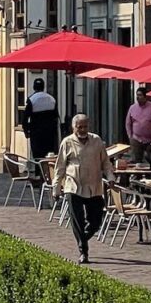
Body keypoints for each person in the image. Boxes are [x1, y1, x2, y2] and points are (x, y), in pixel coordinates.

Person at [52, 113, 115, 264]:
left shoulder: (97, 140)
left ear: (89, 126)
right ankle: (83, 251)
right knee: (77, 220)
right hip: (73, 186)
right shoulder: (67, 142)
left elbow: (105, 162)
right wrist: (56, 188)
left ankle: (83, 237)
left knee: (96, 220)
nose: (82, 129)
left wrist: (111, 177)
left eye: (85, 126)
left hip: (94, 186)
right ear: (73, 127)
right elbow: (59, 167)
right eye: (79, 127)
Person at [23, 79, 59, 161]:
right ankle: (47, 172)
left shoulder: (32, 100)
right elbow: (56, 116)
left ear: (34, 87)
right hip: (49, 132)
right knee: (48, 155)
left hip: (36, 132)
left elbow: (25, 118)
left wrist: (26, 131)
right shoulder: (51, 99)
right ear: (43, 87)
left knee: (37, 155)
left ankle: (38, 171)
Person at [125, 87, 151, 163]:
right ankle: (138, 175)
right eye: (137, 95)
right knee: (137, 160)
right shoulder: (132, 108)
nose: (137, 97)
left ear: (145, 96)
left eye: (140, 95)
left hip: (150, 140)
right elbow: (128, 123)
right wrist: (130, 136)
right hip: (136, 139)